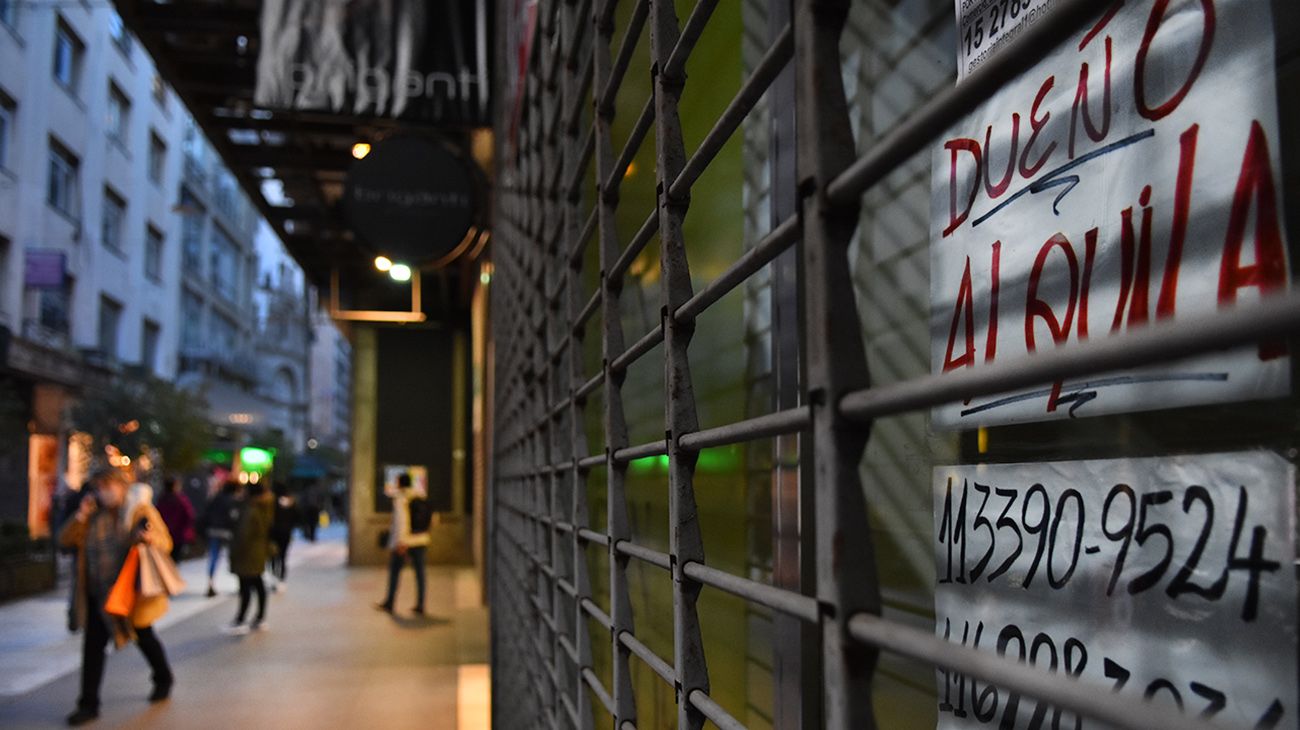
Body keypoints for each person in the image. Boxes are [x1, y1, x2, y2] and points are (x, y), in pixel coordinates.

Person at [59, 469, 174, 726]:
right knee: (92, 647)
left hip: (129, 591)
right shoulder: (91, 514)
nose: (103, 491)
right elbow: (64, 540)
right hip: (97, 593)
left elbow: (165, 543)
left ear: (122, 486)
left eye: (108, 485)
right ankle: (88, 704)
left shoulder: (138, 510)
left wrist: (149, 538)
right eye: (99, 487)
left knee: (144, 636)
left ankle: (163, 677)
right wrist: (80, 516)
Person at [374, 473, 430, 615]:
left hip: (404, 541)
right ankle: (421, 604)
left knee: (394, 572)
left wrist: (401, 542)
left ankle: (390, 602)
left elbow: (401, 521)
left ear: (399, 483)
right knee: (420, 573)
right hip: (421, 540)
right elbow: (432, 519)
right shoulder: (420, 496)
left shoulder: (401, 498)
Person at [226, 482, 273, 634]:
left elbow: (242, 535)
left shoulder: (250, 509)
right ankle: (259, 617)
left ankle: (241, 619)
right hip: (258, 551)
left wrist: (233, 551)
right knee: (257, 584)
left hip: (247, 553)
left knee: (246, 586)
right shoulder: (265, 506)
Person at [201, 481, 239, 598]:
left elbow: (206, 513)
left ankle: (210, 583)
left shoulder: (215, 498)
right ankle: (239, 585)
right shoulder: (233, 501)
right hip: (227, 533)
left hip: (213, 531)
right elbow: (234, 517)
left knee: (213, 557)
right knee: (234, 557)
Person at [155, 477, 196, 563]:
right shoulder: (181, 500)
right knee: (173, 561)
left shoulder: (161, 499)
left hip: (163, 534)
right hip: (178, 535)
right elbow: (189, 515)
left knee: (164, 561)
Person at [268, 482, 296, 590]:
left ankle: (275, 577)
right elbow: (296, 516)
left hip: (274, 533)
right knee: (283, 557)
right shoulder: (290, 502)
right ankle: (282, 579)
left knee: (274, 557)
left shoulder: (272, 502)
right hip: (286, 533)